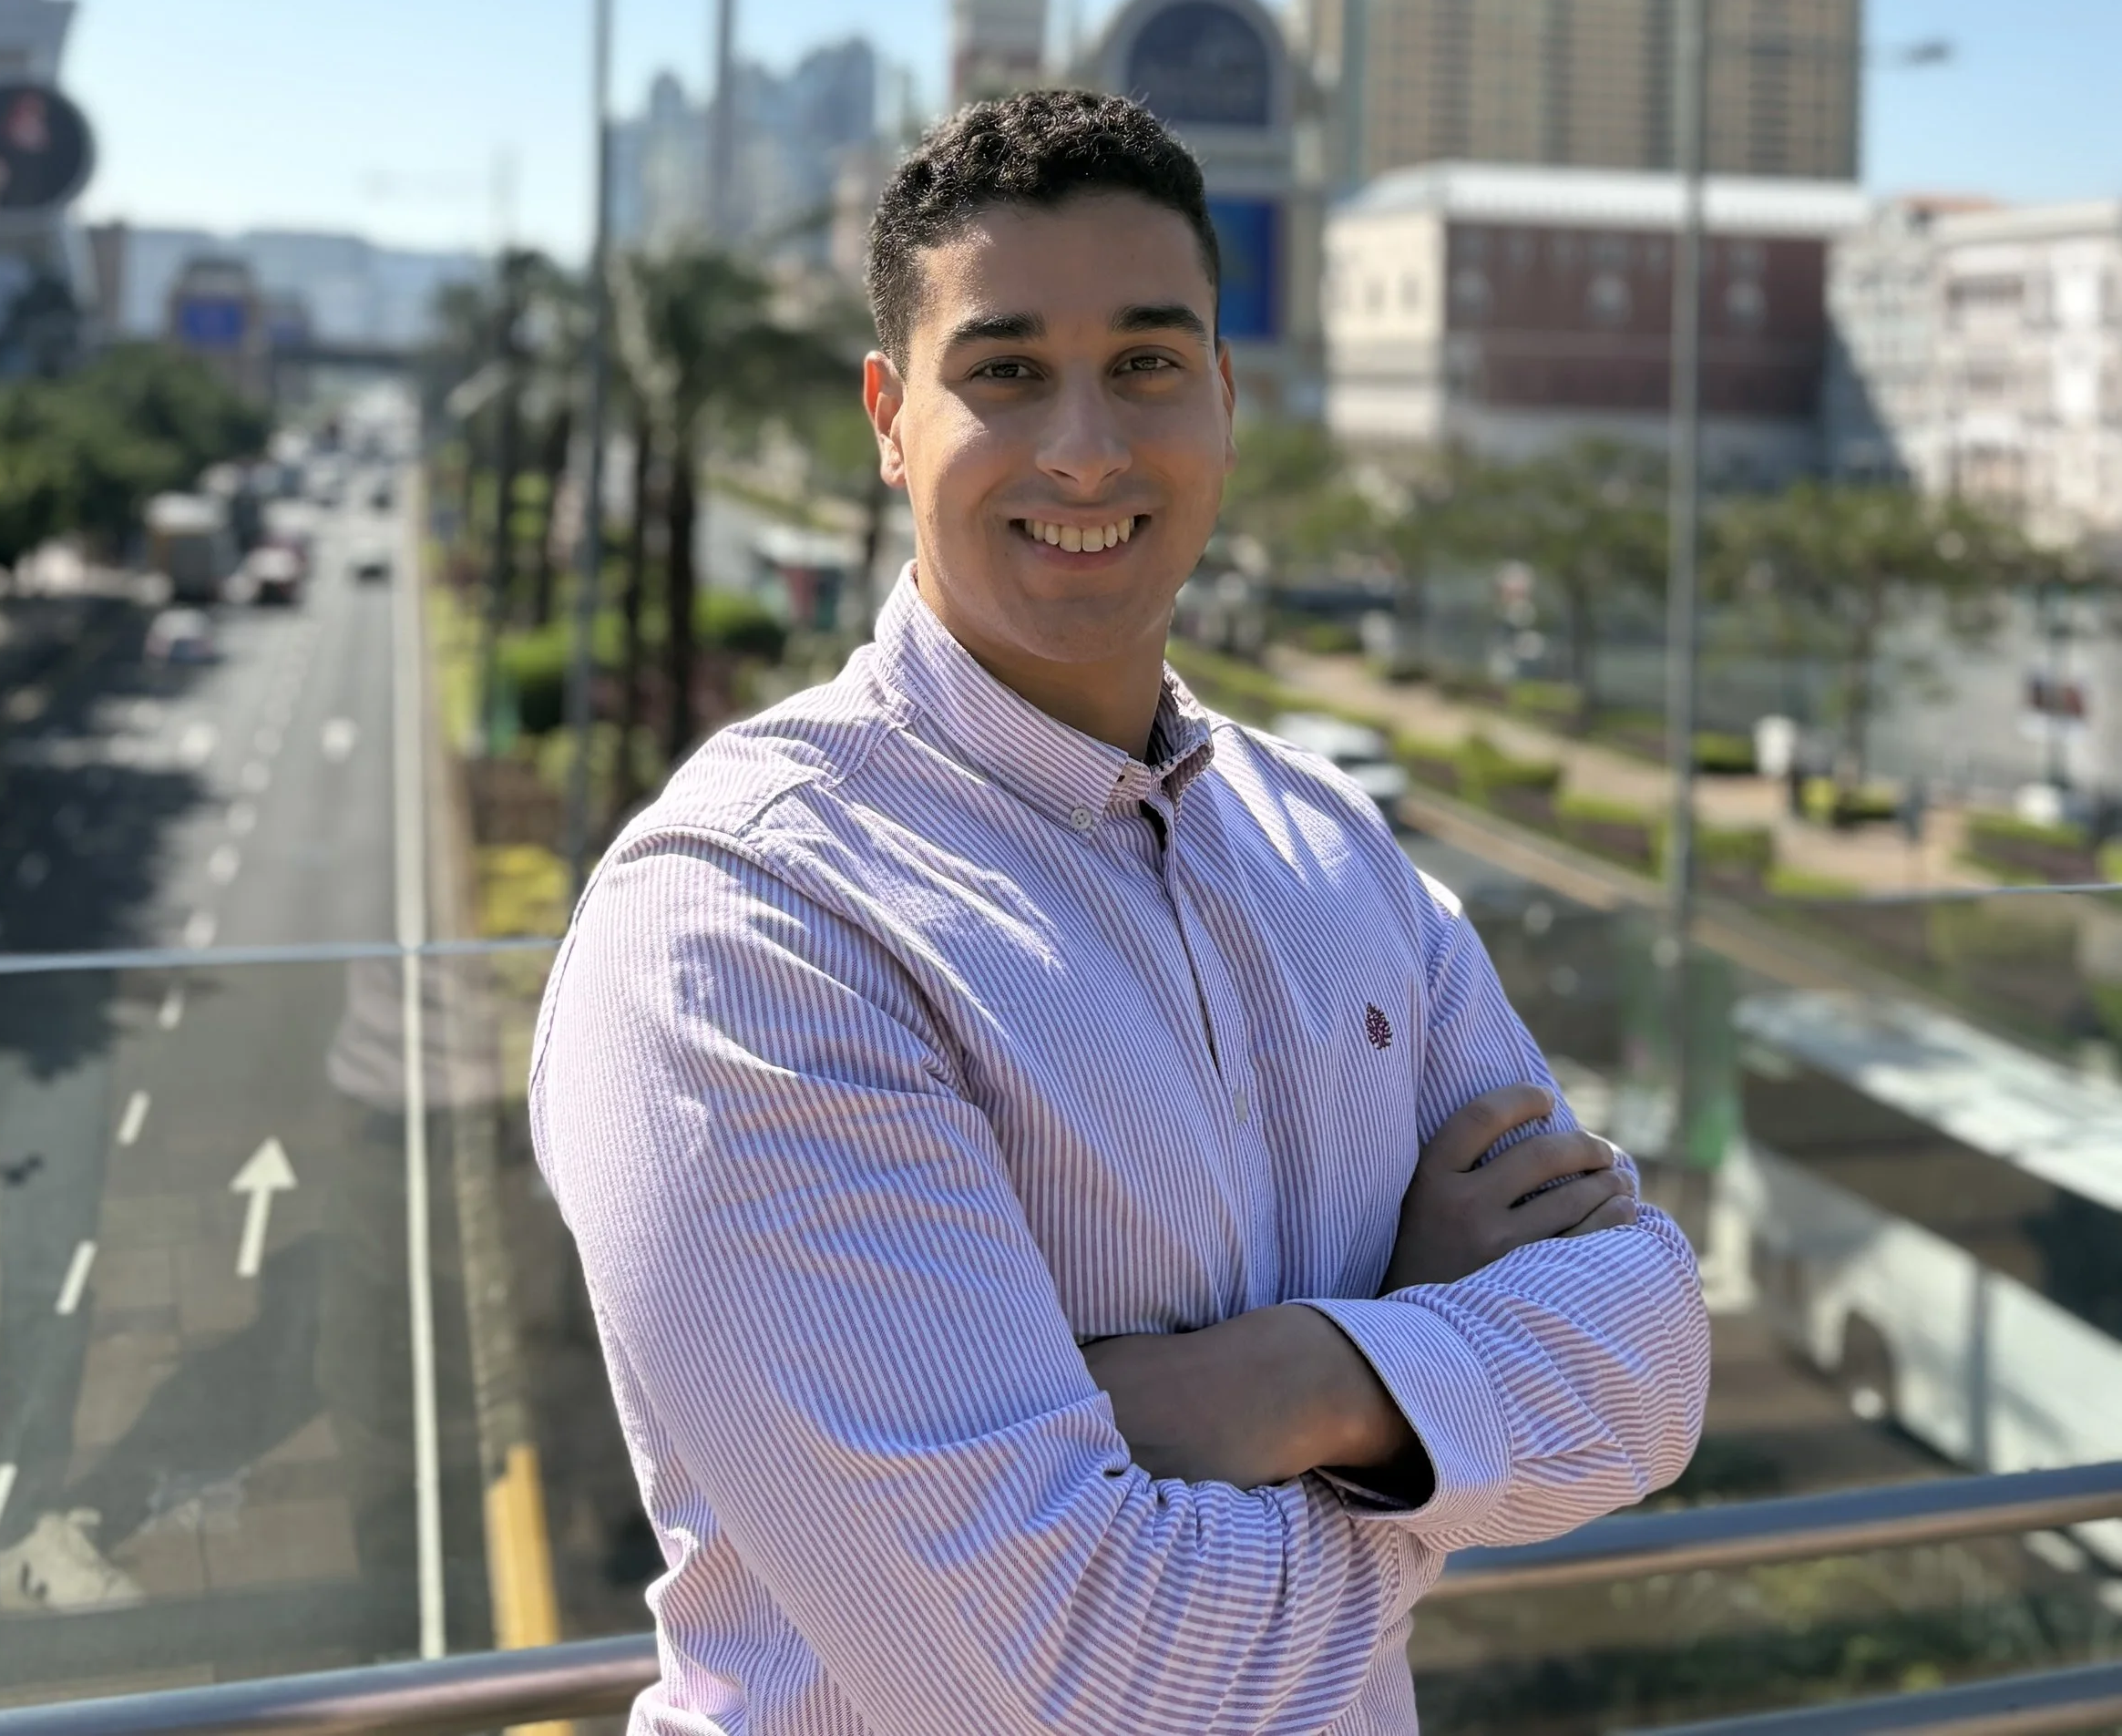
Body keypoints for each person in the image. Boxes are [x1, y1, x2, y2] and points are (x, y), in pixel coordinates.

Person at [532, 89, 1707, 1735]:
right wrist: (1432, 1420)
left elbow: (1650, 1361)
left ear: (1222, 398)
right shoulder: (752, 924)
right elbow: (1072, 1680)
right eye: (1004, 371)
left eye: (1148, 364)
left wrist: (1288, 1382)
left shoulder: (1334, 851)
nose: (1086, 445)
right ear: (888, 416)